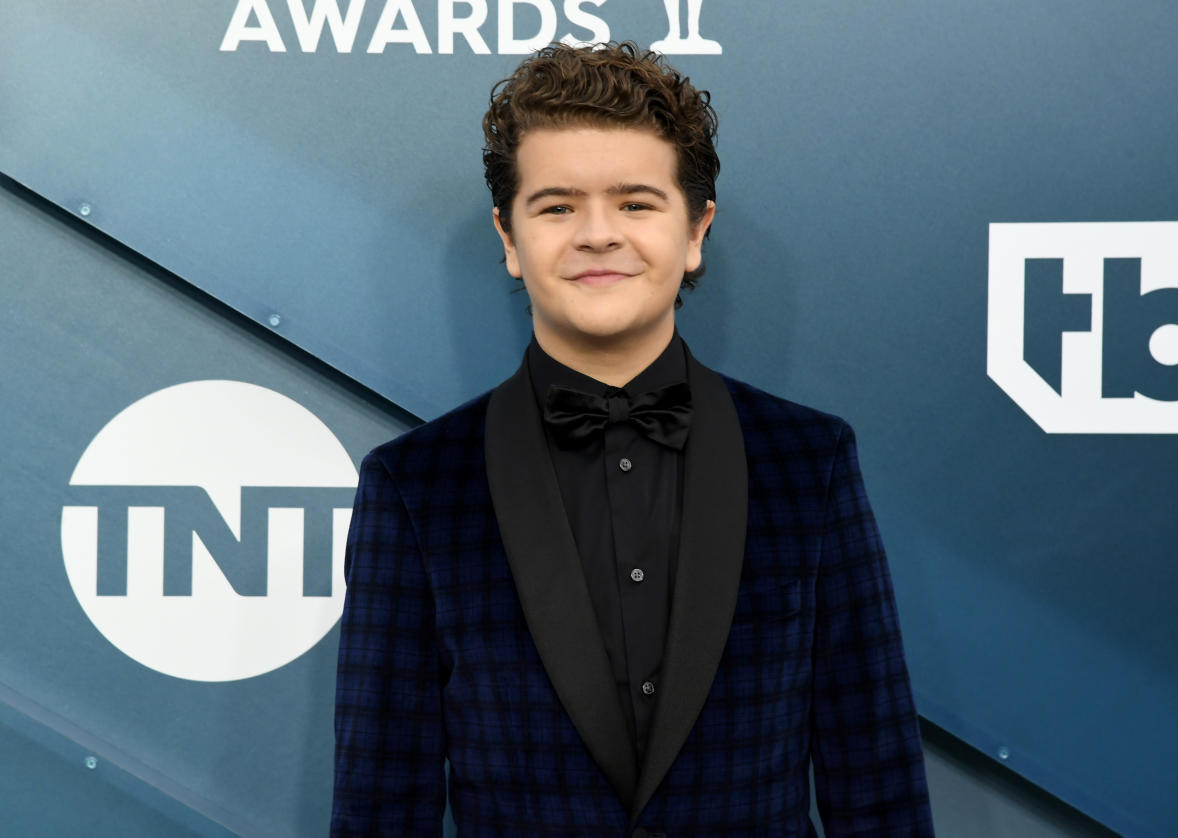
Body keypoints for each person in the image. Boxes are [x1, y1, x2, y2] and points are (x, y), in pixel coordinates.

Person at [331, 41, 934, 837]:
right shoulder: (415, 486)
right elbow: (381, 802)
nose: (596, 234)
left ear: (695, 229)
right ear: (509, 239)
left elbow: (876, 780)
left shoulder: (809, 461)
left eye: (636, 203)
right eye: (556, 207)